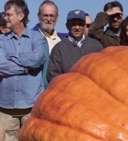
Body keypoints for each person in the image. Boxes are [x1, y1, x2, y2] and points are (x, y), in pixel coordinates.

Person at [0, 0, 49, 140]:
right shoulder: (1, 40)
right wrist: (25, 69)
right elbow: (1, 65)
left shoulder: (37, 38)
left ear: (20, 16)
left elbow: (39, 58)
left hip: (31, 106)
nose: (5, 17)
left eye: (9, 14)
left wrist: (12, 57)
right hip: (6, 108)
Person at [47, 9, 103, 82]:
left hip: (93, 91)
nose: (77, 27)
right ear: (67, 26)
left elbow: (103, 70)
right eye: (73, 24)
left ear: (84, 26)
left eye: (80, 24)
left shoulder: (96, 46)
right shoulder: (59, 49)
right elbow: (52, 76)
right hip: (68, 91)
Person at [32, 0, 67, 88]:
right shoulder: (30, 38)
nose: (49, 19)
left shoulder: (64, 39)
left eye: (52, 16)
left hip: (61, 89)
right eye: (45, 15)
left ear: (57, 17)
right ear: (39, 17)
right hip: (38, 91)